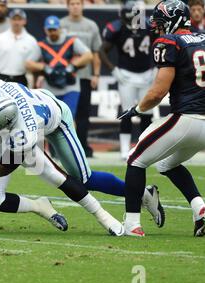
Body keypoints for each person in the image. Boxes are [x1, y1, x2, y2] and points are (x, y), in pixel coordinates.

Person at [0, 69, 165, 232]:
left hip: (55, 119)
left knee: (84, 179)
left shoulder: (24, 134)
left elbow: (3, 168)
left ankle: (143, 193)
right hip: (29, 108)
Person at [119, 0, 205, 237]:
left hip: (186, 120)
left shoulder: (170, 42)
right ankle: (200, 209)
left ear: (173, 20)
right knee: (166, 164)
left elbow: (158, 91)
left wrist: (137, 109)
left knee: (135, 158)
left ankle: (132, 225)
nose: (156, 27)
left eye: (160, 22)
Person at [100, 0, 154, 161]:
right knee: (127, 112)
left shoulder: (149, 26)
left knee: (146, 113)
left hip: (146, 74)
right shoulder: (117, 28)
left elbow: (161, 45)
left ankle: (145, 148)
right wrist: (113, 69)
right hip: (126, 75)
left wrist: (157, 67)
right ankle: (124, 150)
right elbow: (102, 50)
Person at [25, 15, 93, 117]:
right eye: (50, 30)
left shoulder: (71, 41)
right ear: (45, 30)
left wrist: (73, 65)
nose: (52, 32)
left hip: (70, 85)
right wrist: (43, 67)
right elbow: (28, 63)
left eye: (54, 30)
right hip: (50, 86)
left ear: (60, 29)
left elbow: (88, 55)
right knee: (51, 118)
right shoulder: (41, 45)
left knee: (69, 116)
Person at [60, 0, 102, 157]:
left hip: (84, 76)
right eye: (72, 4)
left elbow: (95, 52)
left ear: (82, 5)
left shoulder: (91, 25)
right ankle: (62, 149)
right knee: (64, 114)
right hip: (65, 78)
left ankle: (83, 148)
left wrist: (96, 74)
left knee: (83, 115)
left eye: (78, 3)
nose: (75, 6)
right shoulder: (61, 24)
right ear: (68, 6)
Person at [0, 9, 40, 86]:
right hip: (1, 78)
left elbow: (34, 63)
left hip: (21, 78)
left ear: (24, 21)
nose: (16, 22)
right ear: (10, 21)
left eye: (19, 19)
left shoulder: (31, 41)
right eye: (14, 19)